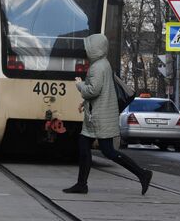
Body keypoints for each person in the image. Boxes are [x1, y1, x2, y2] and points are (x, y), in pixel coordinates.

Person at [63, 34, 153, 195]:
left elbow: (93, 90)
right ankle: (82, 183)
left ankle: (142, 174)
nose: (86, 49)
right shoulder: (103, 64)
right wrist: (85, 103)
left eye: (89, 46)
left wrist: (79, 85)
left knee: (98, 149)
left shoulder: (97, 67)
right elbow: (102, 91)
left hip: (99, 117)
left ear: (95, 48)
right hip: (100, 114)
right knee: (98, 149)